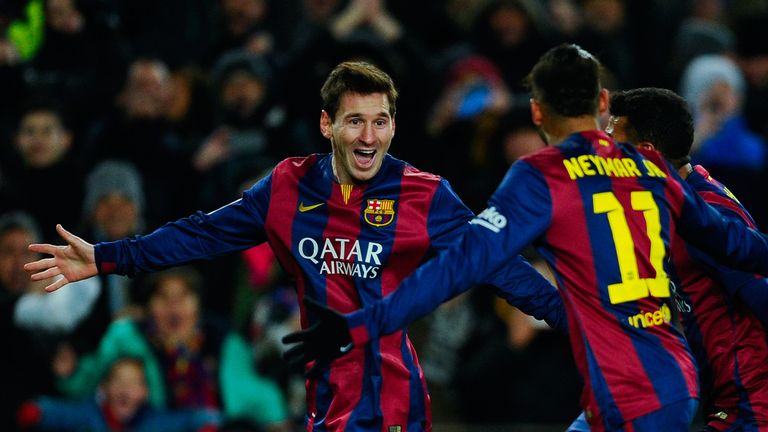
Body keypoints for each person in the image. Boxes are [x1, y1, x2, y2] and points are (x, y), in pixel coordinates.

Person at [24, 60, 566, 431]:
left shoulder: (424, 196)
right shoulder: (287, 187)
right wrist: (106, 257)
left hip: (390, 396)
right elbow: (201, 234)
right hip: (324, 394)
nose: (369, 137)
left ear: (395, 127)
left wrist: (573, 318)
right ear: (328, 123)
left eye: (380, 122)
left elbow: (498, 265)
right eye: (355, 121)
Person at [281, 44, 768, 432]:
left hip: (633, 395)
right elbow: (740, 245)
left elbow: (460, 266)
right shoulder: (651, 168)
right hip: (673, 381)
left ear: (536, 113)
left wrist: (357, 325)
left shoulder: (542, 175)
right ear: (601, 103)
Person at [607, 87, 768, 431]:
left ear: (647, 154)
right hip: (728, 399)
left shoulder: (704, 216)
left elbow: (759, 292)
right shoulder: (683, 197)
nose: (600, 157)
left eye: (612, 145)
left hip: (752, 405)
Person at [49, 266, 289, 430]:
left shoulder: (223, 341)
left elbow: (258, 395)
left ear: (197, 305)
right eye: (163, 297)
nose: (173, 306)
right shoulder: (126, 337)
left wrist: (278, 423)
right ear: (149, 306)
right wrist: (69, 374)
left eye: (183, 296)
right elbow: (90, 381)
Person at [17, 356, 221, 431]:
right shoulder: (90, 414)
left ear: (145, 392)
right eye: (118, 382)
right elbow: (61, 413)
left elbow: (190, 419)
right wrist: (37, 412)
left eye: (133, 383)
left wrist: (206, 425)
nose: (125, 389)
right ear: (103, 388)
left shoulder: (155, 420)